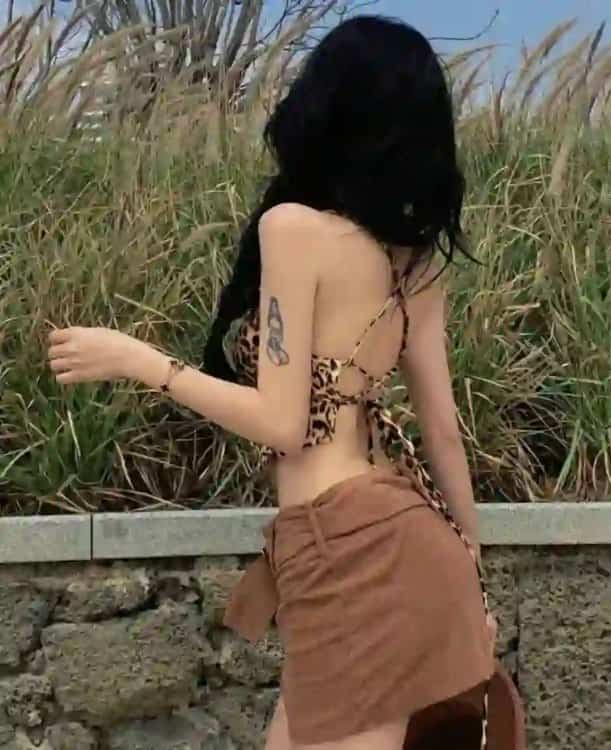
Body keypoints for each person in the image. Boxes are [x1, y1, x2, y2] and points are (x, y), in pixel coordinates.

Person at [46, 15, 515, 750]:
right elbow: (444, 433)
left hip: (348, 556)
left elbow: (282, 423)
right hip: (391, 547)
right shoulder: (417, 265)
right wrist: (472, 577)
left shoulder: (294, 230)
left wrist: (138, 360)